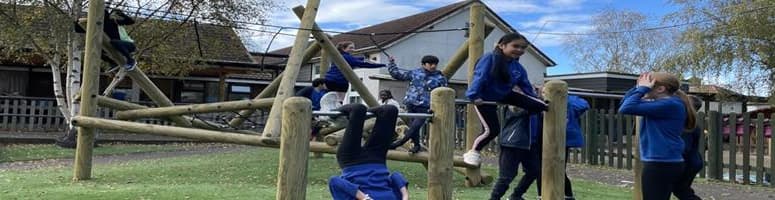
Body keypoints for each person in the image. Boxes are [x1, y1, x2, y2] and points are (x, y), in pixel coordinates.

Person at [463, 33, 548, 166]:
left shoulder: (517, 67)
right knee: (492, 130)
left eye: (523, 48)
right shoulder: (490, 58)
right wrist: (474, 96)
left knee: (540, 106)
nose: (519, 50)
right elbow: (480, 77)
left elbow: (525, 85)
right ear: (502, 46)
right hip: (484, 97)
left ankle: (537, 140)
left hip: (504, 95)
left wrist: (537, 98)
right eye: (515, 46)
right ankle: (473, 152)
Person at [618, 72, 696, 200]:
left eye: (649, 85)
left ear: (660, 89)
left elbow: (626, 108)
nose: (644, 88)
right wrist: (637, 88)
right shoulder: (662, 104)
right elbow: (624, 104)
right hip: (664, 162)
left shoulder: (669, 105)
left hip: (661, 163)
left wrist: (641, 89)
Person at [328, 104, 409, 200]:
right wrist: (405, 196)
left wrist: (363, 198)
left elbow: (334, 181)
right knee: (390, 110)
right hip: (377, 160)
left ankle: (334, 114)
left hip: (351, 161)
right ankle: (367, 114)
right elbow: (396, 176)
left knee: (358, 109)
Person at [386, 55, 448, 153]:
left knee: (416, 126)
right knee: (413, 128)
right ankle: (416, 145)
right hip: (411, 103)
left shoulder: (440, 77)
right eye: (430, 64)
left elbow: (444, 93)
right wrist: (391, 63)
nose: (433, 66)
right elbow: (397, 75)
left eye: (435, 64)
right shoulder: (415, 73)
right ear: (423, 64)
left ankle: (399, 143)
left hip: (425, 106)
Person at [489, 105, 543, 200]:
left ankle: (516, 195)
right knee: (506, 176)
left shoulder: (536, 102)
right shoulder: (516, 101)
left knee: (534, 171)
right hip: (513, 143)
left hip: (530, 144)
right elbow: (519, 109)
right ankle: (494, 198)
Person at [671, 95, 703, 200]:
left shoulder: (686, 125)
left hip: (688, 163)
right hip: (694, 161)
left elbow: (685, 148)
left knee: (681, 190)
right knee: (682, 189)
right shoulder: (691, 123)